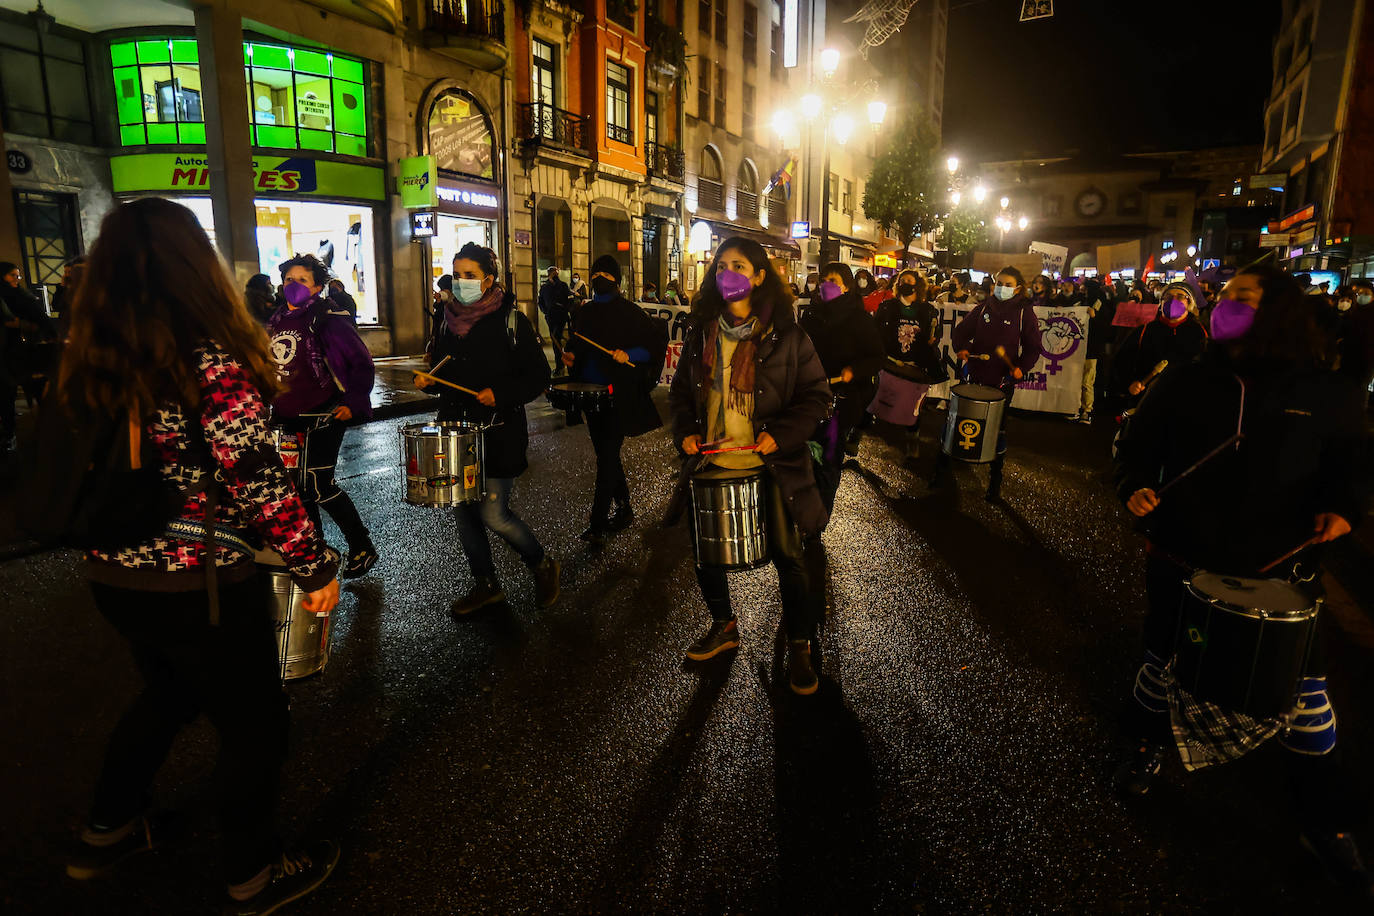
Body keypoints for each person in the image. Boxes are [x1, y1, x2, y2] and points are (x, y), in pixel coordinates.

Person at [57, 198, 341, 912]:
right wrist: (313, 564)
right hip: (198, 580)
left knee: (169, 694)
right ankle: (254, 874)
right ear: (195, 267)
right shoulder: (207, 357)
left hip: (112, 569)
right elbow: (253, 473)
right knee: (256, 724)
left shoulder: (91, 353)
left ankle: (106, 830)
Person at [1111, 264, 1373, 892]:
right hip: (1182, 557)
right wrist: (1134, 487)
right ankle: (1145, 745)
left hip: (1282, 569)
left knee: (1305, 697)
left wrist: (1345, 509)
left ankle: (1325, 822)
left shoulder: (1328, 391)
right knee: (1161, 660)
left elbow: (1351, 467)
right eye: (1224, 296)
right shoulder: (1185, 379)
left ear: (1280, 309)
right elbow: (1137, 450)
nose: (1225, 305)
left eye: (1243, 297)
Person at [669, 237, 831, 695]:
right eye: (721, 266)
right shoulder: (702, 333)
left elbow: (817, 397)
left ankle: (799, 643)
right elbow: (680, 394)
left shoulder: (788, 337)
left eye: (738, 266)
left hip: (771, 463)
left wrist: (782, 434)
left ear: (759, 276)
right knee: (705, 553)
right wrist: (686, 431)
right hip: (713, 460)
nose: (728, 274)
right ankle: (724, 625)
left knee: (789, 556)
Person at [416, 242, 560, 615]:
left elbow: (538, 376)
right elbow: (445, 370)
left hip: (498, 433)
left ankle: (542, 565)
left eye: (470, 275)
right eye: (456, 274)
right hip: (456, 431)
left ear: (489, 280)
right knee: (464, 511)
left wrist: (501, 393)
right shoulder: (446, 319)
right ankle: (486, 584)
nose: (461, 282)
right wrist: (431, 381)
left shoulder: (512, 321)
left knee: (494, 514)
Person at [267, 253, 378, 578]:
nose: (294, 285)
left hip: (323, 414)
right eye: (289, 279)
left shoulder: (327, 319)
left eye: (302, 280)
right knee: (296, 489)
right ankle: (315, 551)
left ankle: (362, 547)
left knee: (317, 484)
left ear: (317, 286)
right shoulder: (276, 320)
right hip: (286, 417)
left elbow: (361, 363)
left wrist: (353, 401)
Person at [561, 254, 667, 544]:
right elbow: (576, 345)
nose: (599, 280)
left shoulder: (631, 313)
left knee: (606, 458)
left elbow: (653, 348)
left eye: (606, 277)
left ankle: (597, 524)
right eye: (596, 276)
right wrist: (571, 356)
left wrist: (629, 354)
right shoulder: (585, 312)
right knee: (606, 456)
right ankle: (624, 507)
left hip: (617, 395)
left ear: (616, 281)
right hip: (590, 397)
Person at [934, 265, 1041, 500]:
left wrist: (1021, 368)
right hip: (974, 376)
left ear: (1018, 288)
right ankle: (940, 472)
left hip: (1001, 383)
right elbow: (961, 333)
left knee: (997, 430)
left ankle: (995, 481)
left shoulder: (1024, 313)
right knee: (955, 422)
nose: (1002, 287)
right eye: (999, 283)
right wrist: (963, 348)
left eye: (1008, 285)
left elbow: (1033, 348)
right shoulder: (983, 308)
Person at [799, 261, 885, 509]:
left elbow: (877, 357)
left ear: (846, 287)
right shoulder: (811, 314)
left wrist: (854, 370)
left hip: (841, 398)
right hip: (809, 394)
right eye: (823, 281)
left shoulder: (859, 319)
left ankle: (820, 514)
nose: (826, 286)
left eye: (833, 282)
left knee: (828, 458)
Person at [871, 269, 946, 460]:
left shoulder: (927, 310)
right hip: (890, 363)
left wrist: (933, 339)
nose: (905, 283)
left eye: (909, 280)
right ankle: (860, 434)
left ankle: (913, 438)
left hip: (915, 366)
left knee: (913, 407)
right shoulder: (887, 307)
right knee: (879, 399)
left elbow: (935, 333)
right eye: (902, 280)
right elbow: (876, 330)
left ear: (917, 285)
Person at [1114, 282, 1208, 402]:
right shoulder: (1144, 331)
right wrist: (1129, 383)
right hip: (1150, 398)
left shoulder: (1201, 332)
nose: (1173, 300)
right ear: (1161, 302)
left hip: (1188, 398)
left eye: (1180, 296)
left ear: (1189, 302)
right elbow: (1122, 361)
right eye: (1168, 297)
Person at [1, 260, 58, 440]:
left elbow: (37, 317)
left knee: (32, 384)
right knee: (8, 390)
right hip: (6, 350)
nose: (17, 279)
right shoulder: (8, 296)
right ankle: (10, 433)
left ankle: (47, 427)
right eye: (12, 275)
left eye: (18, 276)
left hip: (23, 348)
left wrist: (22, 324)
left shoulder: (21, 294)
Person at [1073, 277, 1114, 425]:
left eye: (1086, 290)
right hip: (1076, 349)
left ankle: (1087, 409)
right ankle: (1074, 406)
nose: (1083, 292)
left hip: (1092, 349)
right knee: (1074, 380)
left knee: (1087, 381)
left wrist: (1094, 317)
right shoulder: (1079, 302)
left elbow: (1105, 329)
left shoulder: (1101, 306)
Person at [537, 266, 574, 368]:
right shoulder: (545, 287)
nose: (555, 274)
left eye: (556, 273)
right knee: (555, 339)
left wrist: (566, 309)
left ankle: (560, 364)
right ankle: (560, 362)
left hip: (561, 315)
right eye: (553, 272)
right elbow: (540, 301)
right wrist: (545, 311)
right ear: (549, 274)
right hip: (550, 316)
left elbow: (570, 298)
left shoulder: (563, 285)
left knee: (556, 337)